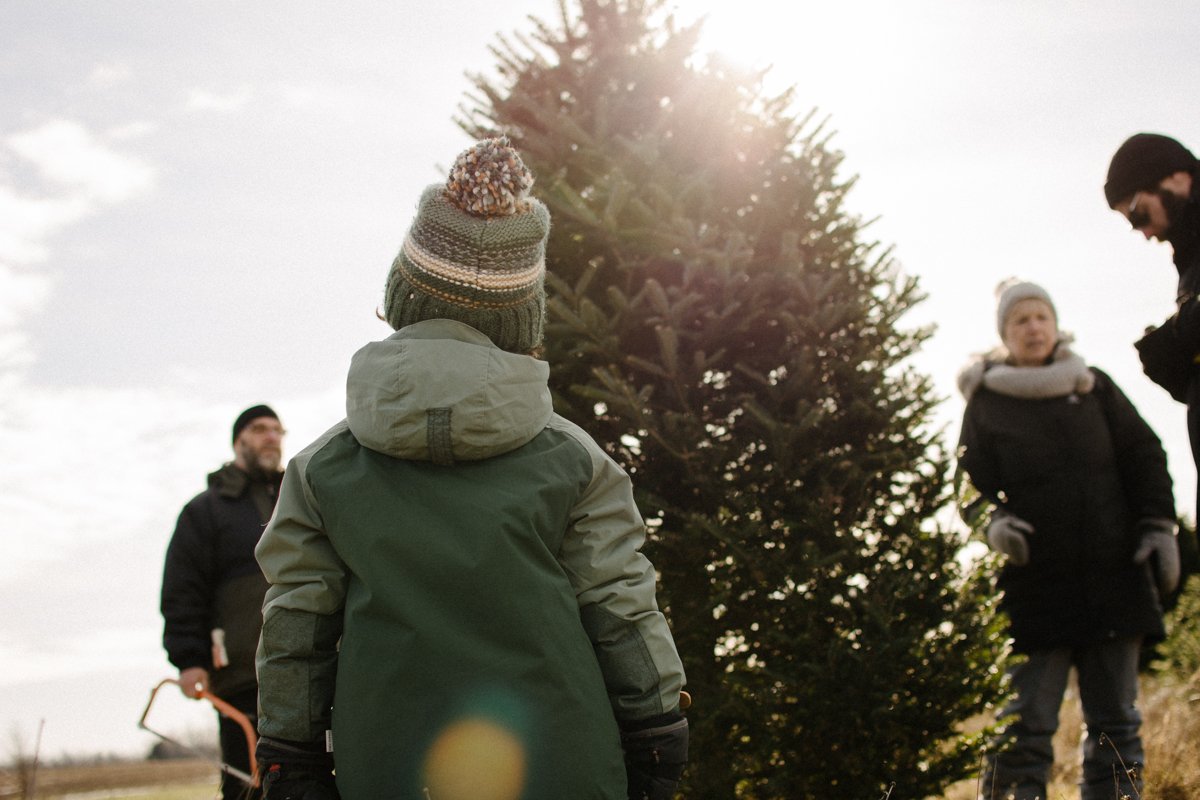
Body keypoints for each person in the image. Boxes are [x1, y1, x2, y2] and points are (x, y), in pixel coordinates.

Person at [253, 137, 688, 800]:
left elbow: (296, 628)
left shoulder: (320, 472)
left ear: (402, 299)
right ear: (521, 322)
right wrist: (658, 733)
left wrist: (289, 753)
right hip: (565, 768)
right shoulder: (574, 462)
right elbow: (620, 609)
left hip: (391, 772)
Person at [956, 280, 1179, 800]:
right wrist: (994, 525)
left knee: (1116, 728)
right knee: (1023, 727)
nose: (1033, 328)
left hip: (1114, 575)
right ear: (1005, 335)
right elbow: (967, 485)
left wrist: (1157, 528)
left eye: (1041, 318)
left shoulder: (1093, 387)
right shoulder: (987, 402)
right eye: (1020, 321)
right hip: (1035, 586)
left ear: (1055, 325)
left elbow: (1146, 457)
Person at [161, 404, 286, 799]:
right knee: (247, 784)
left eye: (277, 430)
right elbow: (183, 589)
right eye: (260, 428)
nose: (272, 436)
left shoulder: (298, 498)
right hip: (241, 675)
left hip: (310, 666)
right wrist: (189, 659)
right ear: (239, 441)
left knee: (310, 779)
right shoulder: (205, 511)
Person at [1104, 133, 1200, 516]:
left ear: (1176, 177)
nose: (1142, 233)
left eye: (1137, 213)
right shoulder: (1190, 259)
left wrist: (1178, 334)